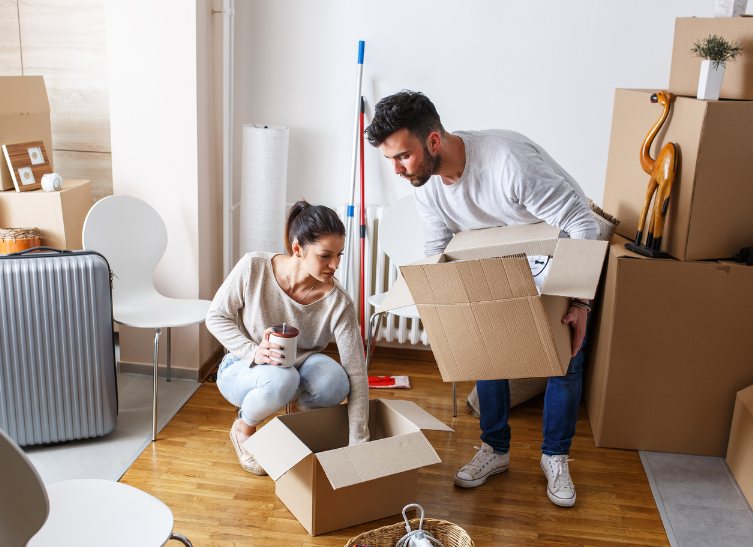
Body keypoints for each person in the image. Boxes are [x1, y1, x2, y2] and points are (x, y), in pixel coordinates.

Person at [365, 91, 598, 507]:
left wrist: (580, 303)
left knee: (566, 360)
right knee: (487, 351)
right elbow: (439, 249)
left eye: (402, 156)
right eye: (390, 161)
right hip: (499, 262)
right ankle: (496, 450)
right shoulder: (427, 186)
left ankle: (556, 456)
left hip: (559, 254)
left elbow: (583, 225)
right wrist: (449, 314)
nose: (397, 170)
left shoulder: (509, 163)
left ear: (433, 141)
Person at [206, 201, 370, 475]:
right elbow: (215, 316)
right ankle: (243, 428)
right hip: (242, 368)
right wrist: (252, 350)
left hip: (299, 368)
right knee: (283, 378)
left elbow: (356, 373)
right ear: (297, 249)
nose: (335, 265)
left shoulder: (338, 302)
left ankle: (294, 421)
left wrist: (359, 443)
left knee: (336, 381)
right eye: (326, 255)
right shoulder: (254, 267)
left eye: (339, 255)